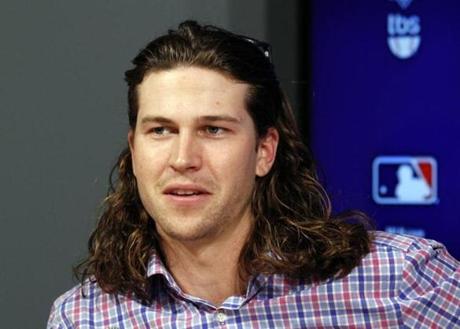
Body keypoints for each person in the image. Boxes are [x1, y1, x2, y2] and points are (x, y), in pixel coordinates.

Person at [47, 21, 459, 328]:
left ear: (264, 151)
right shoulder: (84, 317)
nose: (183, 158)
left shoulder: (401, 281)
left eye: (213, 130)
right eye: (161, 130)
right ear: (134, 152)